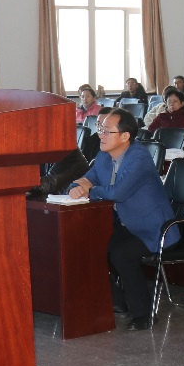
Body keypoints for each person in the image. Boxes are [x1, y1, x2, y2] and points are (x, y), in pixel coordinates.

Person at [68, 109, 175, 331]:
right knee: (88, 245)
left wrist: (90, 190)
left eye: (107, 131)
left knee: (120, 253)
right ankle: (117, 301)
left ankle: (144, 314)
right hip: (126, 224)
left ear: (125, 136)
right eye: (100, 129)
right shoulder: (104, 156)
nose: (101, 134)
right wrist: (75, 187)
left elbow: (118, 192)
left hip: (154, 229)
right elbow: (86, 179)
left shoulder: (139, 158)